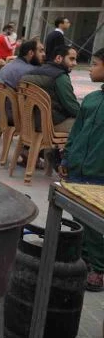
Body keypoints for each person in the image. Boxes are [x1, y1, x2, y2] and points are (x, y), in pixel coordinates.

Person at [59, 48, 104, 291]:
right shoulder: (92, 99)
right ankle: (86, 261)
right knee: (79, 217)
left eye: (95, 64)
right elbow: (76, 133)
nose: (90, 68)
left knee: (96, 224)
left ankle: (99, 268)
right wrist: (66, 159)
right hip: (78, 169)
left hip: (99, 175)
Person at [21, 45, 79, 132]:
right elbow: (73, 107)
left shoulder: (31, 73)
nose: (75, 63)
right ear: (59, 58)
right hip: (49, 124)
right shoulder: (60, 77)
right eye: (71, 59)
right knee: (91, 123)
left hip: (27, 122)